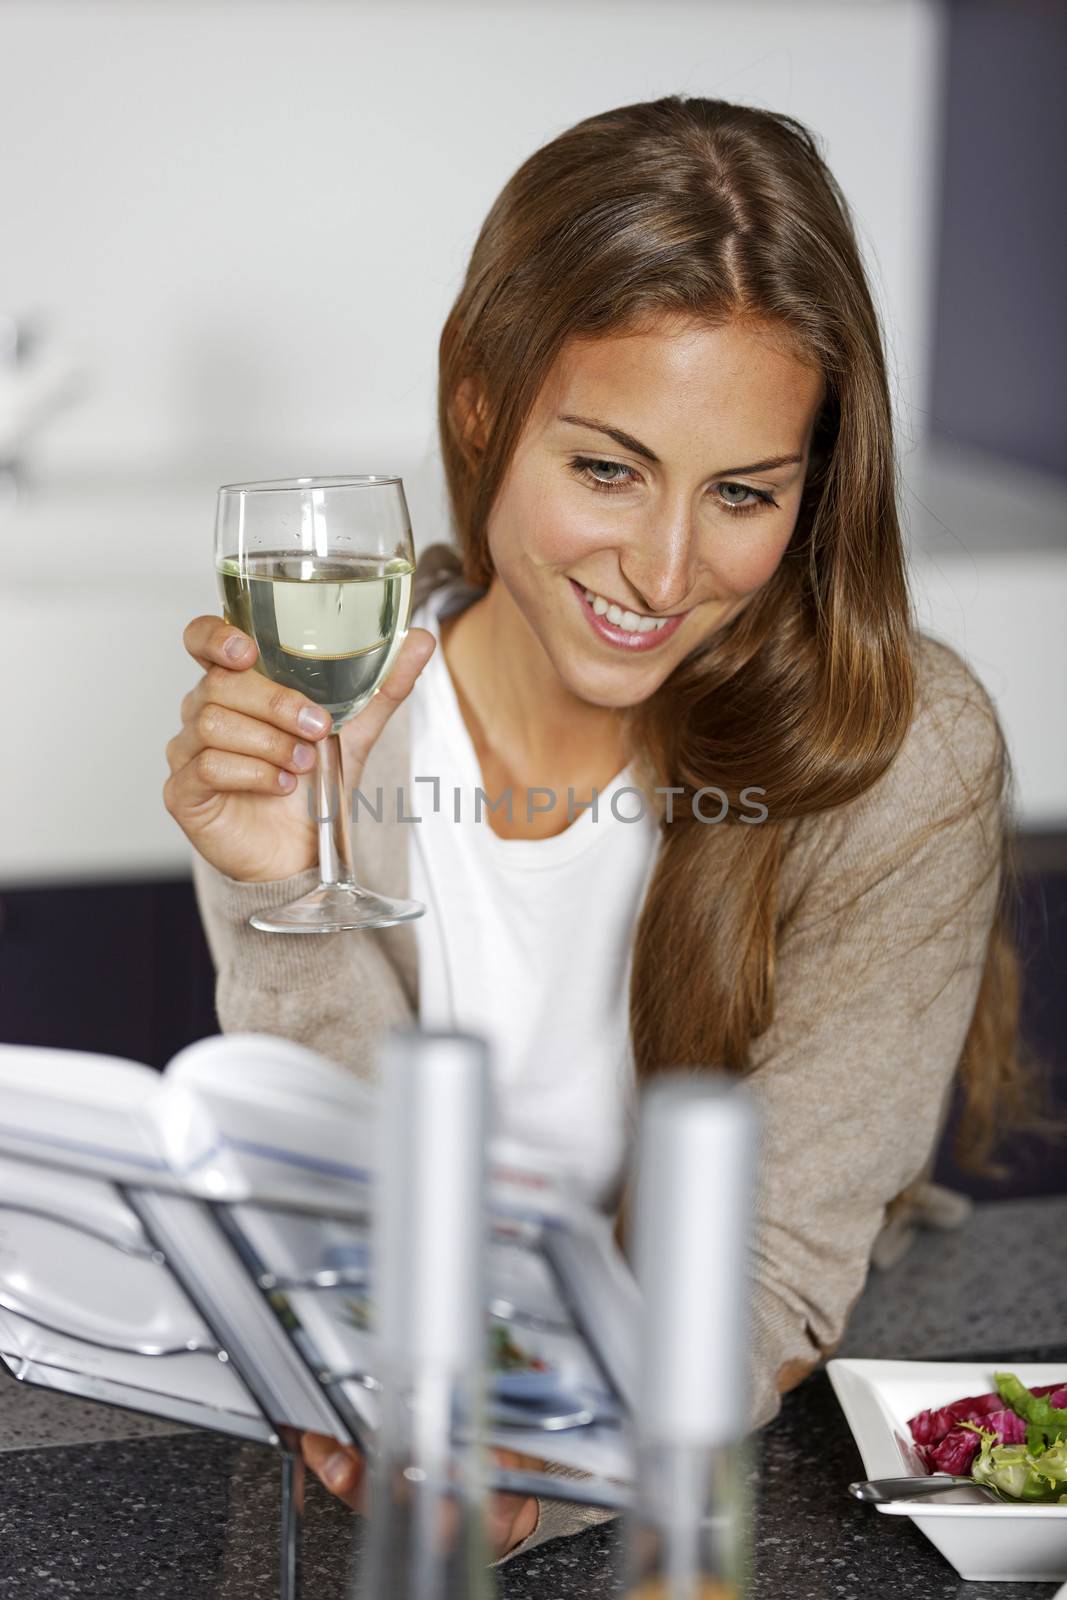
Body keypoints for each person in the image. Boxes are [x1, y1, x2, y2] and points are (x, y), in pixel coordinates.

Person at [165, 96, 1029, 1565]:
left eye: (743, 493)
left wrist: (542, 1465)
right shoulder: (328, 703)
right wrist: (273, 885)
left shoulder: (905, 757)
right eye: (609, 468)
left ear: (814, 490)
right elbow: (353, 1240)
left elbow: (762, 1267)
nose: (665, 569)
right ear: (483, 411)